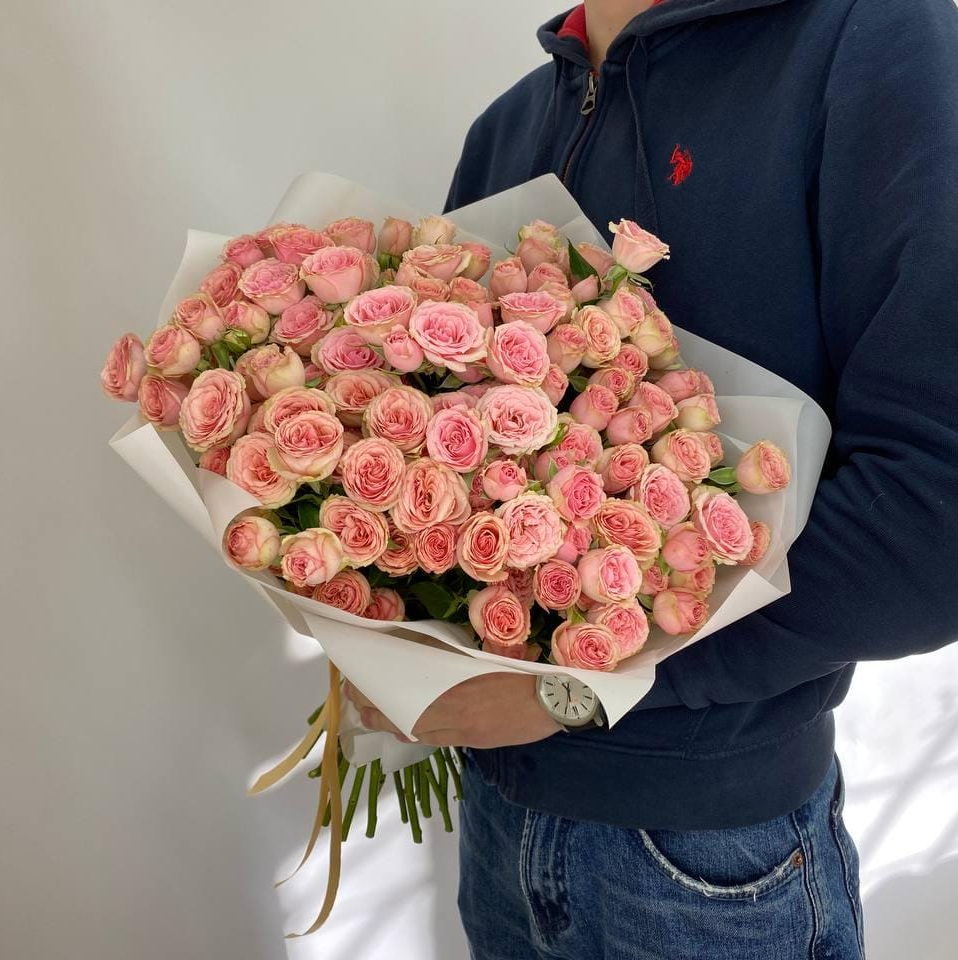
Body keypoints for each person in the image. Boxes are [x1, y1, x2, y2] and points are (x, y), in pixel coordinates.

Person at [347, 1, 958, 956]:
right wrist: (385, 621)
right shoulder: (507, 127)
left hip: (709, 861)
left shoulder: (868, 38)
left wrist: (575, 690)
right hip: (497, 825)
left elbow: (935, 518)